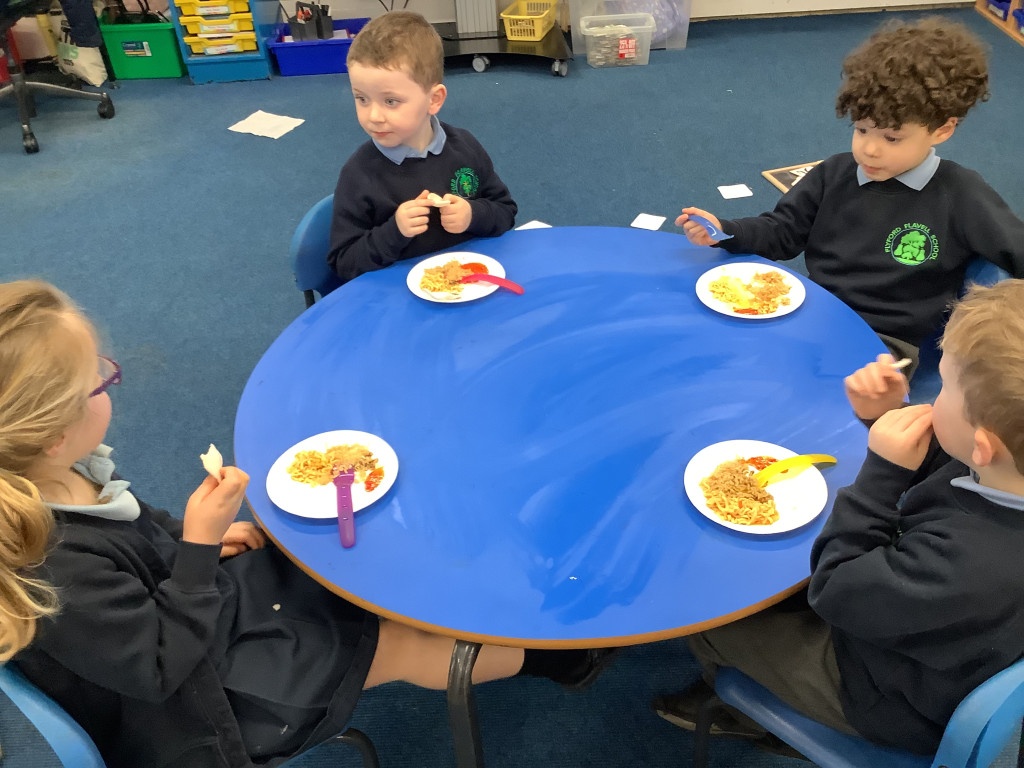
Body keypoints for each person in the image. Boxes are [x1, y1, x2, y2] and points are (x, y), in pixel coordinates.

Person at [0, 280, 614, 768]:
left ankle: (462, 622)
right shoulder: (52, 562)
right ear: (52, 433)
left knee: (334, 570)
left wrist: (193, 543)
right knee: (401, 644)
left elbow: (137, 530)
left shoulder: (59, 473)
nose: (109, 380)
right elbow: (159, 665)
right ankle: (559, 661)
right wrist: (198, 548)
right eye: (99, 381)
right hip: (201, 707)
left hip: (200, 620)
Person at [653, 278, 1024, 755]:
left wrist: (883, 475)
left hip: (881, 690)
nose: (935, 398)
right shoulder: (1005, 473)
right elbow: (955, 468)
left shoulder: (970, 567)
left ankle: (742, 711)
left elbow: (834, 587)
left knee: (714, 614)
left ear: (983, 445)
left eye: (946, 388)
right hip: (917, 623)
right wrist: (888, 415)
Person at [676, 17, 1024, 378]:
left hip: (884, 344)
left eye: (891, 138)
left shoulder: (962, 194)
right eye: (861, 129)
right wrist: (726, 230)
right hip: (815, 312)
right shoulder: (834, 174)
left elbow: (1017, 250)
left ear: (942, 129)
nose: (869, 149)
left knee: (815, 394)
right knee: (725, 358)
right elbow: (782, 231)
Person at [327, 11, 517, 286]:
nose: (374, 116)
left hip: (468, 285)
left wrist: (472, 215)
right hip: (396, 296)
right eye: (362, 99)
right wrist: (394, 231)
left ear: (434, 100)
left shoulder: (465, 148)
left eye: (390, 101)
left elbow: (505, 211)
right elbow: (344, 262)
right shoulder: (358, 175)